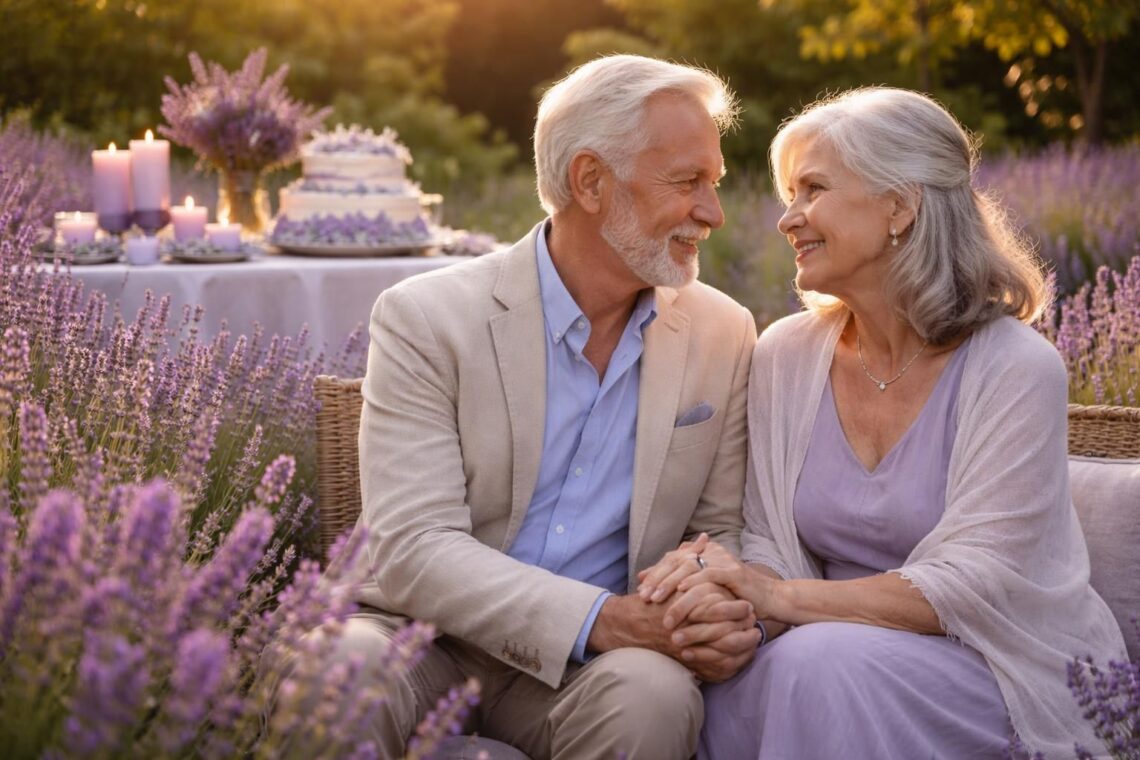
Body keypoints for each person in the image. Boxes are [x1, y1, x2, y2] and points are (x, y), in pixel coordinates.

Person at [637, 87, 1127, 758]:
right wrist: (721, 599)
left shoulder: (1015, 367)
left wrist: (777, 596)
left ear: (899, 205)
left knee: (821, 667)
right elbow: (770, 541)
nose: (788, 219)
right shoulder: (786, 354)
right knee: (680, 681)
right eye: (789, 195)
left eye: (812, 190)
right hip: (814, 655)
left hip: (987, 667)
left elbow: (971, 588)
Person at [326, 55, 761, 760]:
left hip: (584, 675)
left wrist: (707, 593)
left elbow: (719, 530)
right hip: (415, 637)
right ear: (591, 181)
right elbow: (412, 551)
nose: (712, 212)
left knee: (654, 697)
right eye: (688, 182)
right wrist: (605, 619)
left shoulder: (724, 330)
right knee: (335, 673)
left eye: (714, 183)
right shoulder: (425, 318)